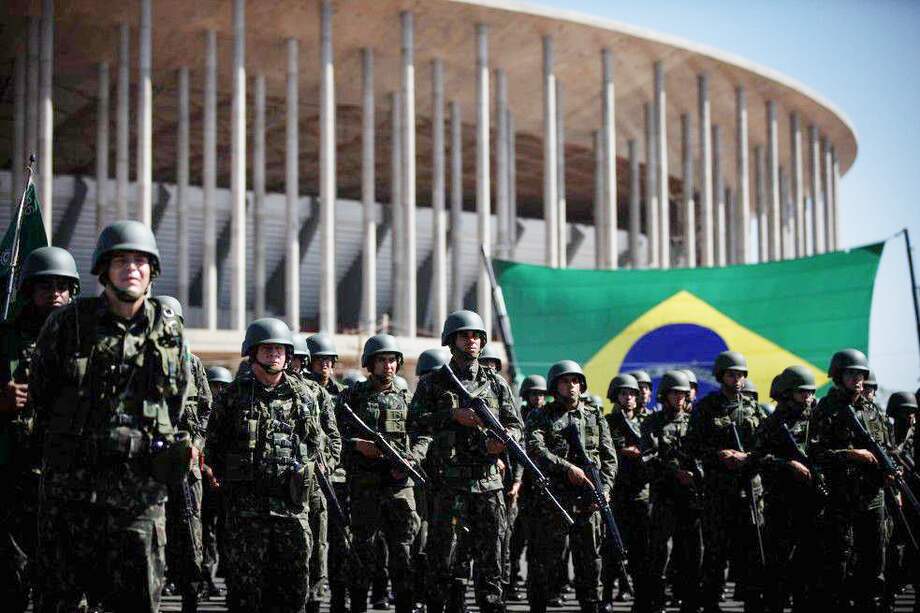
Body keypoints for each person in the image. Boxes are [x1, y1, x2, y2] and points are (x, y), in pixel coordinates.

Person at [30, 221, 189, 612]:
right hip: (73, 497)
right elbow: (42, 395)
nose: (131, 268)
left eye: (140, 261)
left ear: (152, 270)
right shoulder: (68, 323)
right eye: (121, 260)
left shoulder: (169, 330)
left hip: (139, 500)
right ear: (103, 269)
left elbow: (177, 404)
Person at [205, 318, 324, 612]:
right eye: (268, 349)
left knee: (294, 590)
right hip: (246, 512)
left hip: (292, 509)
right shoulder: (232, 397)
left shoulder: (305, 396)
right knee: (246, 592)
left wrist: (309, 473)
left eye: (280, 349)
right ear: (253, 352)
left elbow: (319, 444)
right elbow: (213, 446)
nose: (275, 355)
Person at [410, 310, 521, 613]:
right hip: (450, 486)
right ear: (451, 340)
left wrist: (504, 439)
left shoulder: (497, 384)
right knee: (443, 562)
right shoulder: (433, 383)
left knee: (491, 564)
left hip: (488, 485)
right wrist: (453, 416)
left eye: (476, 336)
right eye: (465, 335)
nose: (471, 341)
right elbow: (416, 423)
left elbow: (516, 424)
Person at [0, 246, 79, 612]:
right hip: (14, 478)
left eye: (62, 286)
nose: (55, 293)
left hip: (69, 479)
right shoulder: (6, 340)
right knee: (13, 580)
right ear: (28, 291)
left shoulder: (87, 343)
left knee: (64, 583)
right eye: (45, 285)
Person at [525, 359, 617, 613]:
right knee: (545, 564)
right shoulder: (540, 416)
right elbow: (534, 449)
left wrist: (606, 490)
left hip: (589, 503)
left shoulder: (595, 417)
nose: (572, 386)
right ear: (556, 386)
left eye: (576, 381)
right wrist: (566, 468)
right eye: (566, 381)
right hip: (554, 502)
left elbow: (609, 457)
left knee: (590, 565)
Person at [338, 334, 421, 613]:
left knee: (403, 552)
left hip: (400, 486)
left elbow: (424, 437)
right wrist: (357, 445)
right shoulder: (351, 397)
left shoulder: (409, 399)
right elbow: (332, 436)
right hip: (366, 486)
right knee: (363, 551)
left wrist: (409, 459)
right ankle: (359, 605)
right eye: (382, 360)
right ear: (369, 364)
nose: (388, 366)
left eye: (392, 361)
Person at [808, 348, 889, 611]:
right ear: (839, 376)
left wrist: (887, 468)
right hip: (840, 493)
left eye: (861, 374)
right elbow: (816, 453)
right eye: (851, 374)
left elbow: (884, 445)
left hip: (871, 493)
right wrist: (852, 454)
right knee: (839, 555)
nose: (857, 379)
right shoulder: (826, 408)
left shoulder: (872, 408)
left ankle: (868, 601)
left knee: (874, 552)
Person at [685, 350, 764, 613]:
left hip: (748, 491)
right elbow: (692, 447)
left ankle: (752, 600)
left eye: (741, 374)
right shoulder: (706, 408)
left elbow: (767, 448)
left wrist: (747, 456)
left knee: (751, 550)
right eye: (732, 374)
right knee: (716, 551)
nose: (738, 379)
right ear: (722, 376)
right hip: (718, 491)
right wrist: (719, 455)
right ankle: (711, 601)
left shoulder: (755, 409)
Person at [156, 295, 211, 613]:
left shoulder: (191, 363)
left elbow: (206, 409)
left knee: (190, 530)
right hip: (151, 464)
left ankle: (191, 593)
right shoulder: (142, 359)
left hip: (187, 463)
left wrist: (198, 445)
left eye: (172, 322)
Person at [751, 366, 821, 613]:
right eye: (802, 393)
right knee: (778, 565)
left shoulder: (819, 419)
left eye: (810, 392)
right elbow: (757, 459)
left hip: (812, 502)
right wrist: (787, 464)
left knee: (808, 563)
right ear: (789, 393)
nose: (808, 398)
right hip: (781, 502)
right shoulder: (773, 423)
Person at [642, 370, 702, 613]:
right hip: (665, 496)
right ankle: (654, 600)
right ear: (664, 395)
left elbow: (704, 453)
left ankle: (689, 599)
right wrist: (673, 471)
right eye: (674, 393)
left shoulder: (695, 421)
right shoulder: (652, 423)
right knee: (658, 552)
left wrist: (695, 473)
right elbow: (648, 457)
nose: (678, 398)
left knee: (691, 552)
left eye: (682, 394)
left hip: (691, 498)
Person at [604, 374, 650, 610]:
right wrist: (624, 452)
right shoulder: (608, 422)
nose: (629, 398)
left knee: (642, 551)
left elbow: (654, 450)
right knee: (612, 549)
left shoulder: (647, 422)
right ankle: (607, 597)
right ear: (616, 396)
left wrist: (641, 453)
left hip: (642, 494)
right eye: (624, 393)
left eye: (633, 393)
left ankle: (642, 600)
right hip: (617, 493)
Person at [507, 374, 547, 601]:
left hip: (540, 488)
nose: (538, 398)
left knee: (537, 542)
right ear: (526, 395)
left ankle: (535, 586)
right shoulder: (518, 418)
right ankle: (512, 581)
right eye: (534, 394)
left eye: (541, 394)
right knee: (515, 540)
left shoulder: (548, 418)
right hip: (519, 488)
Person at [200, 365, 233, 599]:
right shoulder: (201, 412)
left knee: (227, 533)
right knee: (205, 533)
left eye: (223, 386)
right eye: (214, 385)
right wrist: (208, 471)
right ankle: (206, 580)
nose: (218, 390)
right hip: (204, 481)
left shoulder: (233, 411)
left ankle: (231, 581)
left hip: (227, 482)